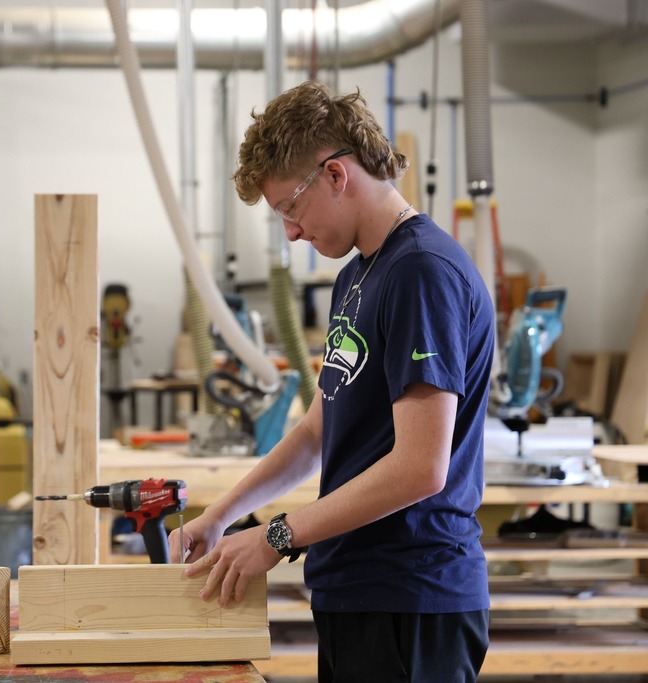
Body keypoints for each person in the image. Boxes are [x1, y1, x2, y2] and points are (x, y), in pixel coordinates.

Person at [170, 80, 494, 682]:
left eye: (290, 209)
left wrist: (279, 533)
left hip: (410, 597)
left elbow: (422, 466)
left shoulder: (422, 271)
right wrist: (223, 513)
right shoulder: (357, 279)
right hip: (357, 592)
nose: (290, 232)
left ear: (336, 175)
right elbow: (319, 430)